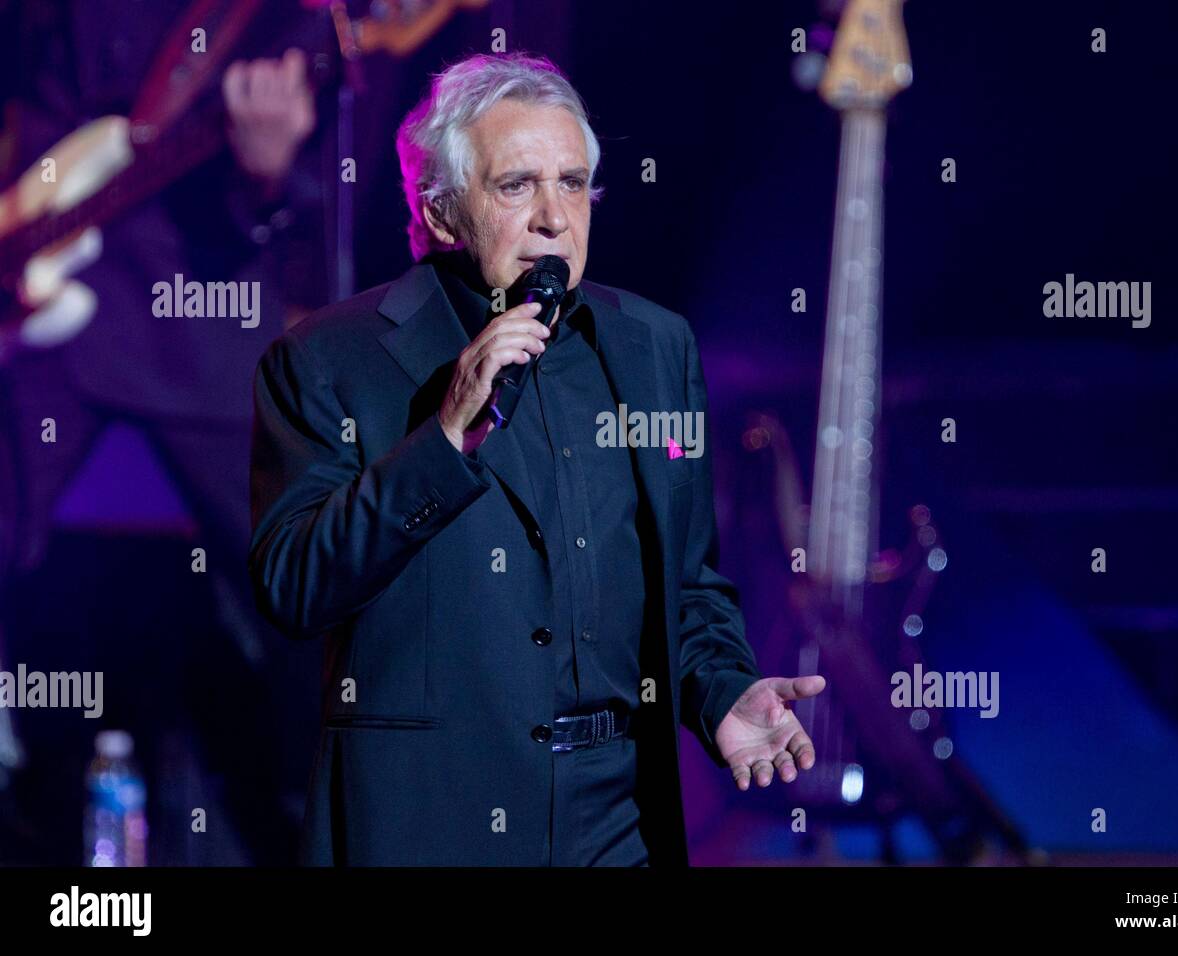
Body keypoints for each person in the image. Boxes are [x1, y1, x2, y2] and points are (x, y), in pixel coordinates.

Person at [248, 51, 826, 866]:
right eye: (517, 186)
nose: (556, 216)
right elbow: (295, 586)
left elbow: (688, 586)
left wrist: (722, 693)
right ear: (443, 212)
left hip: (618, 817)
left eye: (574, 182)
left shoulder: (657, 347)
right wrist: (444, 438)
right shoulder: (329, 359)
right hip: (433, 823)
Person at [0, 0, 329, 864]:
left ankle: (325, 816)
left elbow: (313, 163)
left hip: (194, 297)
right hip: (28, 283)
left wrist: (268, 169)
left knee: (297, 575)